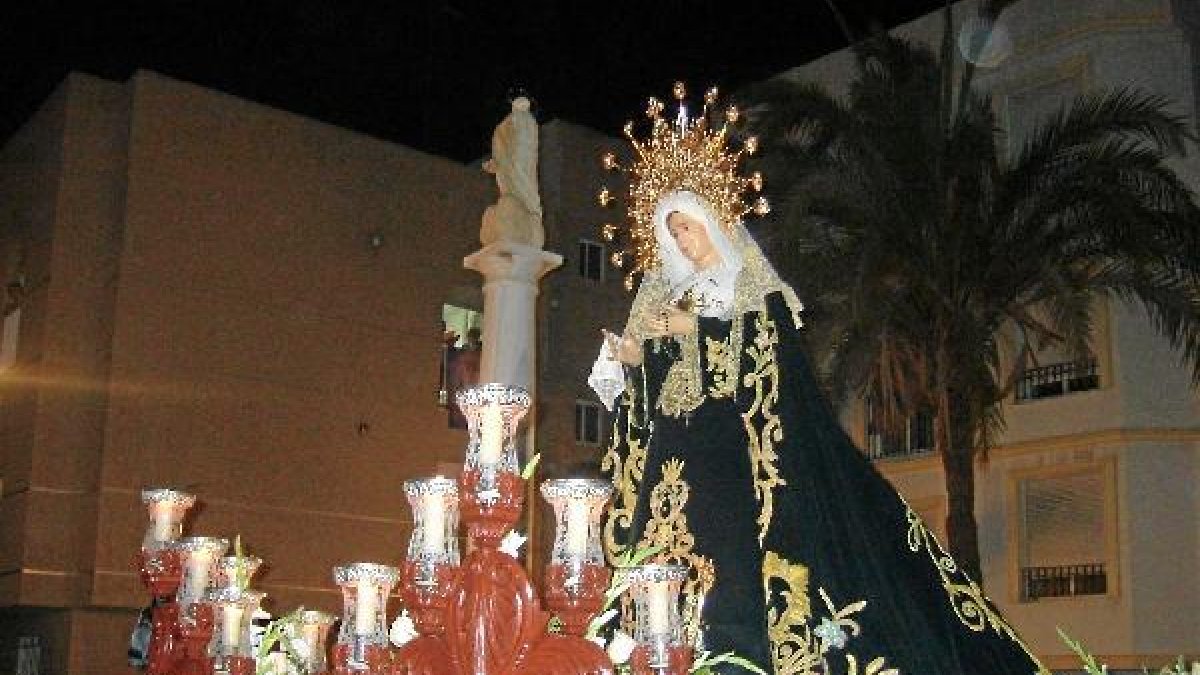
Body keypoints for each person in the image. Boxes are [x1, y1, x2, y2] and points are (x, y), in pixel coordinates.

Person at [595, 89, 1048, 675]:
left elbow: (772, 357)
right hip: (676, 458)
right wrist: (631, 356)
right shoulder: (662, 292)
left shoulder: (747, 288)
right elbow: (647, 389)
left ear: (713, 222)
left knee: (732, 570)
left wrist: (698, 325)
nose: (682, 240)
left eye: (689, 227)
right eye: (673, 231)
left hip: (736, 455)